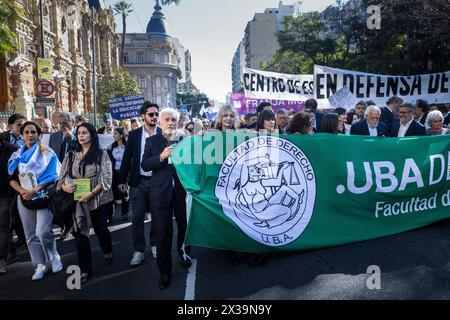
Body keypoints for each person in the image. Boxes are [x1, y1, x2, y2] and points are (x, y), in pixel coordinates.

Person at [141, 108, 191, 290]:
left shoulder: (184, 140)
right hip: (160, 195)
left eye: (173, 119)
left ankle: (183, 254)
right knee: (163, 234)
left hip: (181, 193)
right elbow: (145, 165)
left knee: (185, 228)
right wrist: (161, 156)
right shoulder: (152, 141)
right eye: (167, 119)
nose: (170, 122)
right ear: (160, 123)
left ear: (178, 122)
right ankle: (164, 272)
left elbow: (193, 163)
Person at [57, 123, 113, 284]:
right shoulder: (70, 155)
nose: (81, 136)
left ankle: (107, 250)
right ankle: (85, 269)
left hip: (98, 199)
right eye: (79, 133)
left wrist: (92, 193)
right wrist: (65, 187)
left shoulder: (101, 154)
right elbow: (60, 180)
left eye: (85, 133)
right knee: (80, 235)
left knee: (101, 230)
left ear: (92, 135)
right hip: (78, 202)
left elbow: (107, 179)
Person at [8, 121, 63, 280]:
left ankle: (54, 257)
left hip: (43, 196)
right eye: (27, 132)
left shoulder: (47, 153)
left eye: (33, 132)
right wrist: (23, 191)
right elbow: (12, 179)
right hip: (24, 197)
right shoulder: (17, 155)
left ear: (39, 134)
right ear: (22, 135)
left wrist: (35, 190)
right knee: (30, 235)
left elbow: (53, 175)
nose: (30, 135)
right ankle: (40, 264)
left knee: (43, 231)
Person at [118, 102, 162, 266]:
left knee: (156, 216)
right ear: (143, 116)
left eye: (156, 114)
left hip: (157, 181)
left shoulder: (162, 133)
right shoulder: (134, 135)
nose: (155, 117)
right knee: (137, 216)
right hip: (138, 182)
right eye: (151, 114)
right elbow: (127, 158)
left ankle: (155, 244)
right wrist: (122, 180)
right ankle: (138, 250)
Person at [0, 139, 19, 274]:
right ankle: (11, 248)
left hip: (6, 193)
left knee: (3, 226)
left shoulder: (12, 149)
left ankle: (1, 260)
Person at [108, 128, 129, 220]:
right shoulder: (111, 146)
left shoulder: (127, 146)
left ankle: (124, 212)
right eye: (113, 134)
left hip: (124, 173)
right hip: (114, 172)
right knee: (112, 193)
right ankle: (110, 215)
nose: (114, 135)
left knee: (124, 194)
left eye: (116, 134)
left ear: (121, 135)